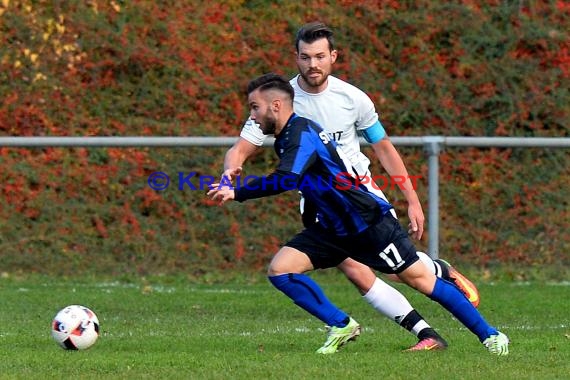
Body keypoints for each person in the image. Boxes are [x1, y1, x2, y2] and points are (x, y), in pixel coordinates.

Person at [208, 72, 510, 355]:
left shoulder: (301, 133)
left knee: (418, 279)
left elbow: (288, 178)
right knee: (281, 269)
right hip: (333, 227)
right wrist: (310, 220)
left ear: (275, 106)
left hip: (366, 223)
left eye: (254, 107)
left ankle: (491, 335)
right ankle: (341, 325)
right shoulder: (290, 134)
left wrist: (237, 192)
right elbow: (313, 180)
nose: (251, 115)